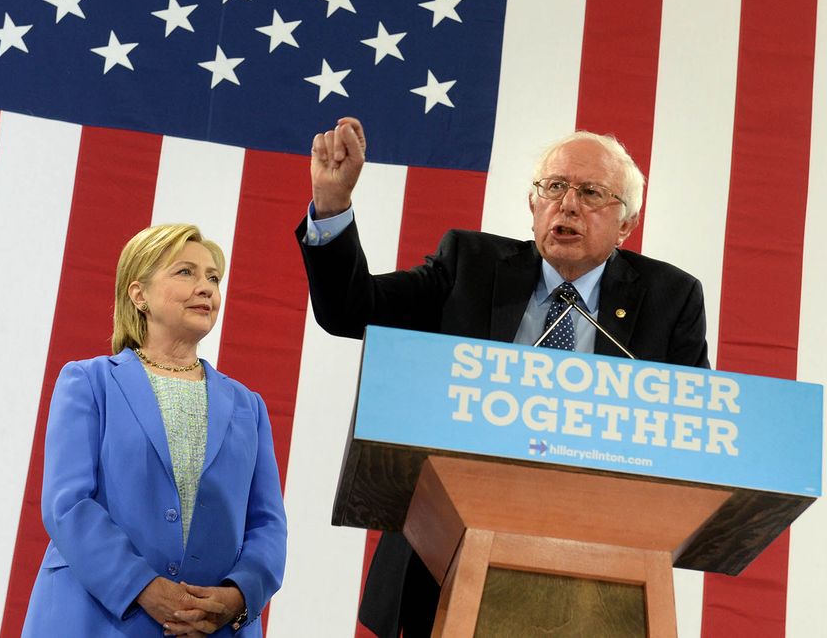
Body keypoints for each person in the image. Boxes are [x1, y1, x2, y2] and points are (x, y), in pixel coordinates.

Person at [297, 117, 708, 638]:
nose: (568, 204)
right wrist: (332, 205)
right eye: (554, 187)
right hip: (448, 555)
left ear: (625, 224)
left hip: (598, 569)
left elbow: (692, 427)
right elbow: (351, 310)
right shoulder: (470, 265)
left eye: (591, 192)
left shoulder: (669, 300)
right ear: (533, 204)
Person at [22, 224, 287, 637]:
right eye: (186, 272)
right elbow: (68, 503)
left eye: (213, 278)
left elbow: (267, 525)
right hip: (95, 620)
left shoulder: (248, 406)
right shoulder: (88, 383)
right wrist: (141, 586)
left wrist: (238, 596)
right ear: (138, 294)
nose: (206, 288)